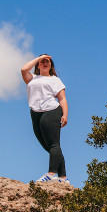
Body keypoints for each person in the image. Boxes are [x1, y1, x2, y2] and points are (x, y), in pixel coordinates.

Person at [21, 54, 69, 183]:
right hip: (35, 113)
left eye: (48, 61)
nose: (45, 63)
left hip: (51, 111)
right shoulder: (32, 78)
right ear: (38, 65)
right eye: (42, 61)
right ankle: (63, 177)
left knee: (54, 144)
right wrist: (39, 57)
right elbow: (23, 69)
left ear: (51, 65)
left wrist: (65, 114)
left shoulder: (55, 80)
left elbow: (62, 98)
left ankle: (51, 173)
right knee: (48, 146)